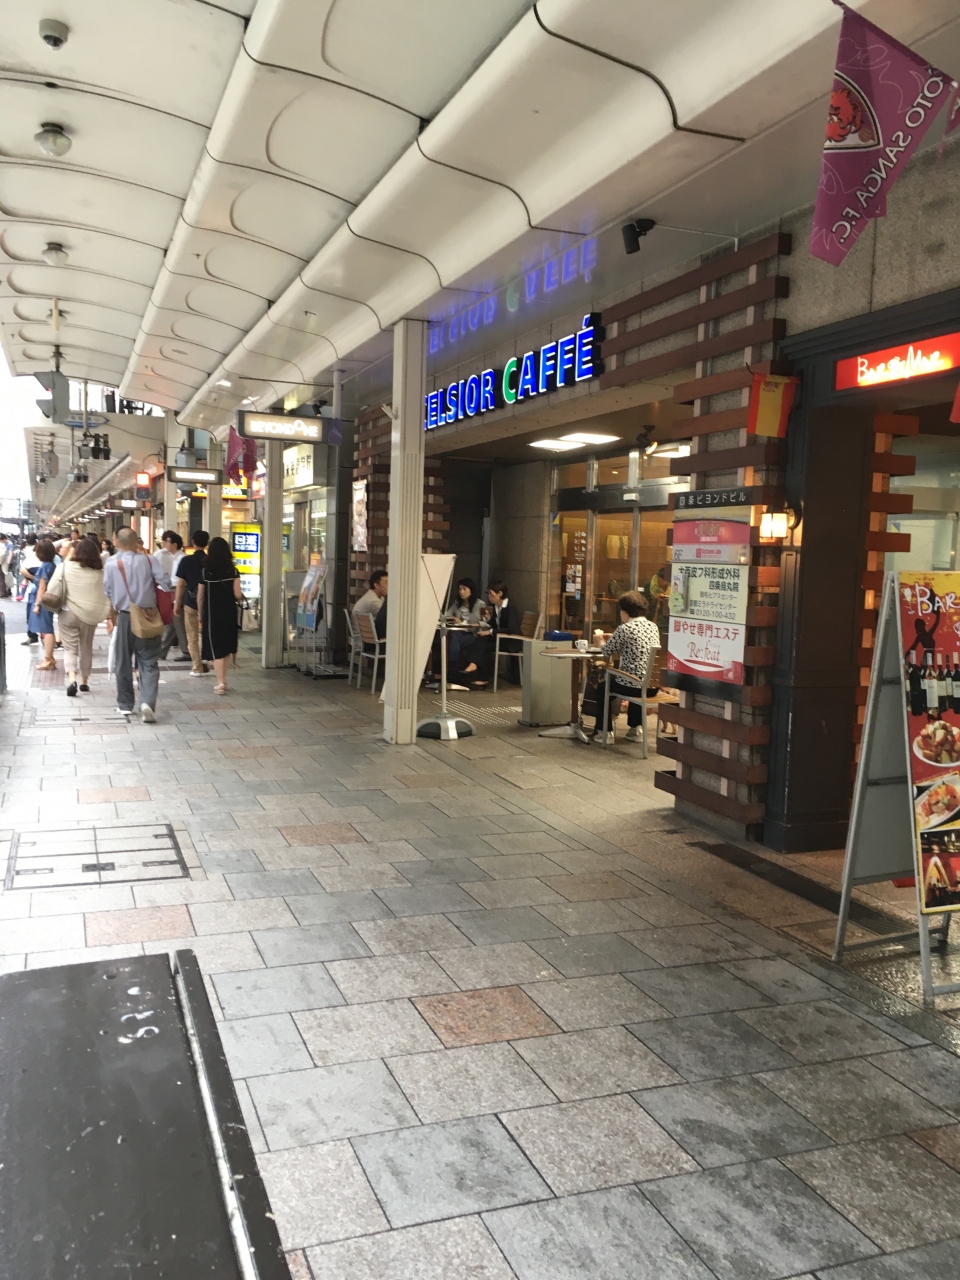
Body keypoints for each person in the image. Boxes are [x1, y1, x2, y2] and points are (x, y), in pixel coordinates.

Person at [102, 526, 172, 722]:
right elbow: (166, 583)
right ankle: (147, 702)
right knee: (149, 661)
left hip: (125, 616)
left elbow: (107, 591)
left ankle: (125, 704)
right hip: (148, 615)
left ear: (118, 542)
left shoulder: (111, 564)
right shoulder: (150, 560)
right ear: (137, 542)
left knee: (123, 661)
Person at [594, 590, 661, 744]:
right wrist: (613, 638)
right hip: (652, 686)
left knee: (603, 687)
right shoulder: (653, 627)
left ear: (625, 611)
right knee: (639, 678)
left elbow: (606, 651)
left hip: (632, 686)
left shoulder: (624, 628)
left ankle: (605, 732)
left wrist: (599, 639)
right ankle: (636, 729)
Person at [58, 536, 111, 696]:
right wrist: (109, 615)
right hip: (89, 615)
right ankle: (85, 681)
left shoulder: (65, 567)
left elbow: (54, 586)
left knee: (70, 648)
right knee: (86, 647)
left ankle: (71, 679)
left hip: (67, 613)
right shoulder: (100, 573)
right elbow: (106, 594)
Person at [198, 536, 242, 695]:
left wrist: (200, 614)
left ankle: (220, 682)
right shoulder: (233, 571)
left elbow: (200, 596)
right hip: (229, 613)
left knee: (215, 647)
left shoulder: (205, 572)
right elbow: (237, 594)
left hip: (212, 614)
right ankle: (224, 679)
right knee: (226, 646)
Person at [460, 580, 521, 689]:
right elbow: (494, 623)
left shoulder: (510, 607)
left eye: (491, 594)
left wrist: (491, 632)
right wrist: (487, 619)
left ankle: (478, 672)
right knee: (481, 638)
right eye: (488, 594)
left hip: (511, 641)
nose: (489, 597)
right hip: (501, 638)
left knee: (483, 644)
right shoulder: (496, 606)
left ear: (500, 594)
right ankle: (476, 670)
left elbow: (511, 628)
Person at [174, 530, 209, 676]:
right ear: (207, 543)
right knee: (207, 634)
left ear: (193, 542)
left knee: (192, 636)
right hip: (208, 603)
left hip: (190, 602)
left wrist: (177, 602)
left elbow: (181, 584)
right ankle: (206, 659)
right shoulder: (210, 561)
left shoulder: (186, 561)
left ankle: (197, 667)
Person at [154, 531, 188, 660]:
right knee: (174, 623)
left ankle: (183, 651)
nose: (165, 544)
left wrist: (176, 599)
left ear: (174, 544)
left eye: (167, 542)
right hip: (172, 590)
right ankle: (182, 651)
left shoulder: (181, 558)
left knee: (175, 622)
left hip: (177, 591)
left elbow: (179, 581)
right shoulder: (175, 557)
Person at [31, 539, 59, 671]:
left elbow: (42, 587)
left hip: (44, 601)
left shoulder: (44, 567)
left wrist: (37, 604)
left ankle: (48, 658)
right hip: (50, 600)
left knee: (46, 629)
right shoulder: (52, 565)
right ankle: (49, 658)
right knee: (48, 628)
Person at [20, 533, 40, 645]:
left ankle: (39, 636)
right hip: (35, 589)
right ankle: (33, 635)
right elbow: (22, 569)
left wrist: (31, 578)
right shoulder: (32, 555)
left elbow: (23, 570)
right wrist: (36, 578)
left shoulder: (50, 559)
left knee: (39, 615)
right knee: (31, 614)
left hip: (39, 590)